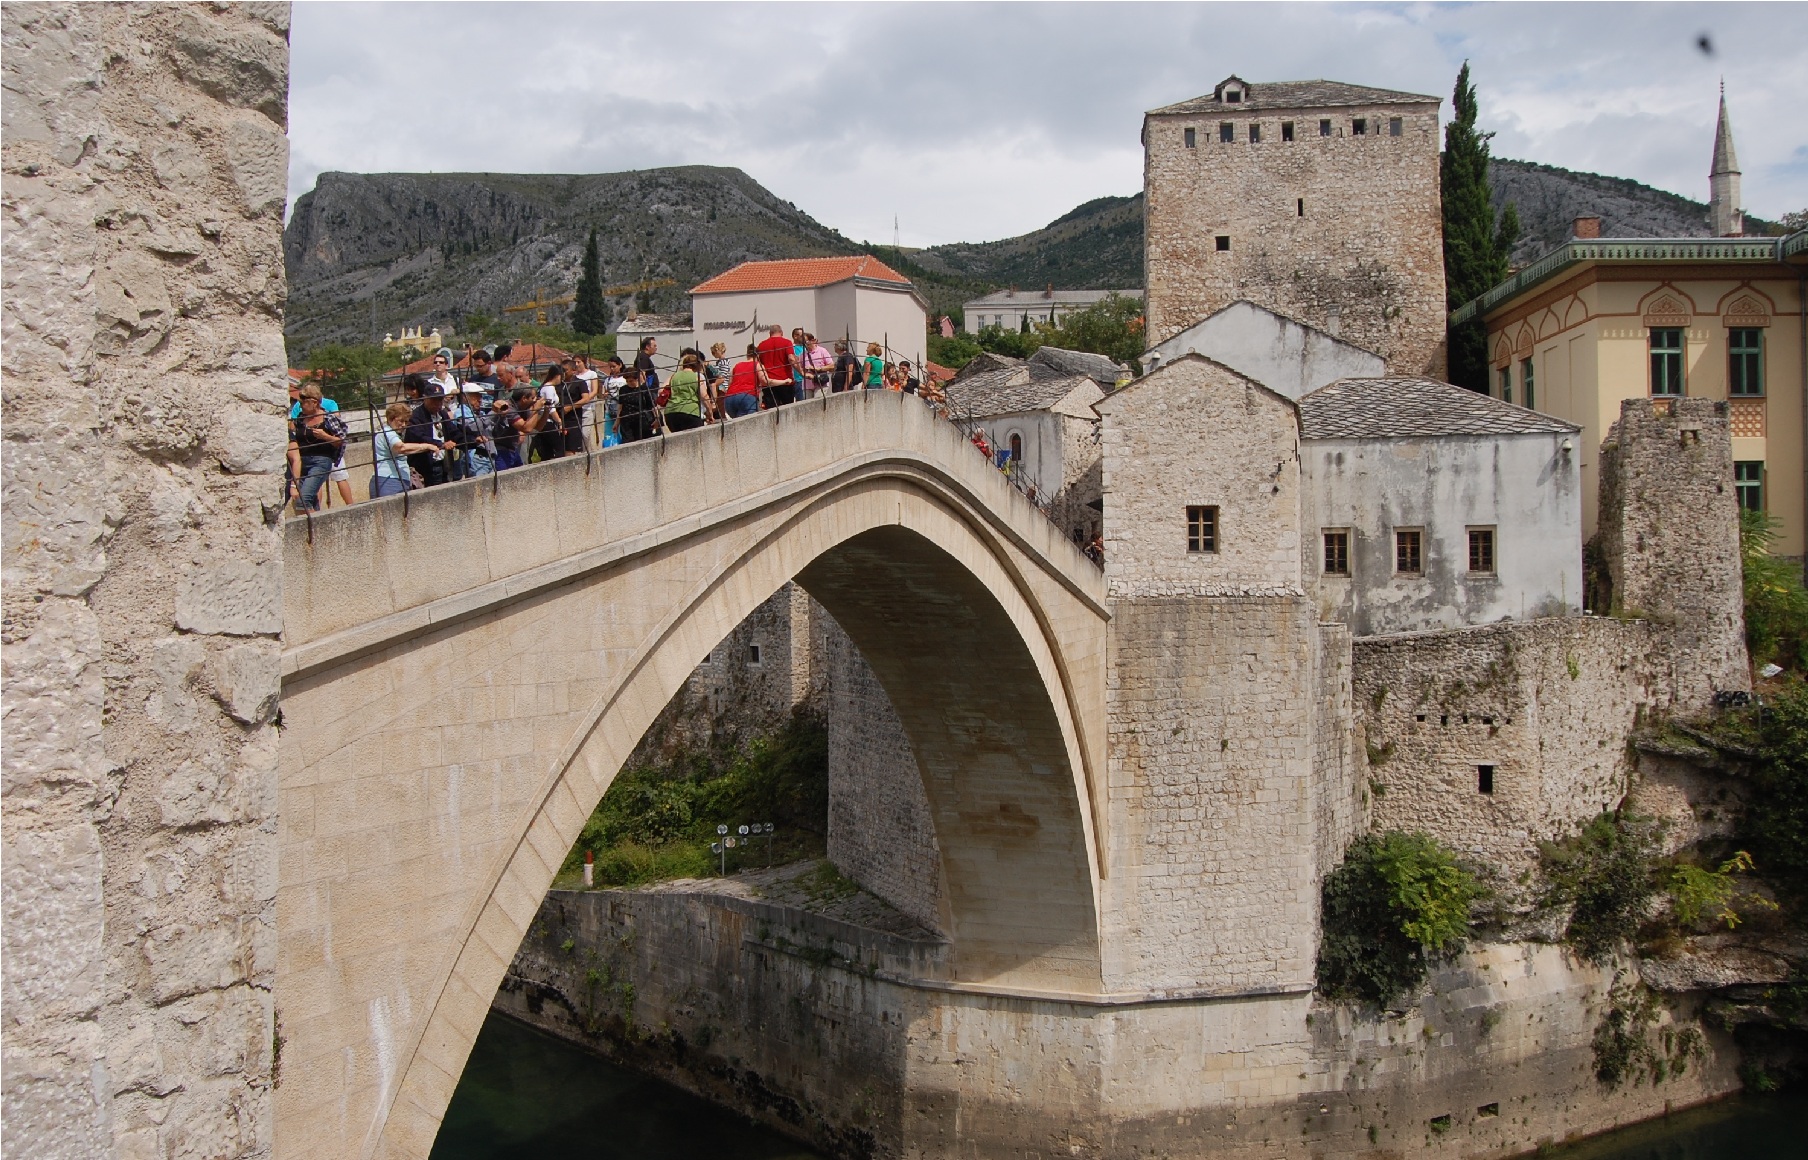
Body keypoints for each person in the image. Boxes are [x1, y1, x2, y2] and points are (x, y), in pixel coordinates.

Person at [287, 379, 355, 507]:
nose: (300, 406)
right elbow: (292, 433)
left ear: (314, 403)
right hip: (302, 462)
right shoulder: (300, 419)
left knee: (303, 501)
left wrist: (325, 436)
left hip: (320, 461)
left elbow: (340, 441)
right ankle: (315, 522)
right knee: (309, 502)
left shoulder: (329, 418)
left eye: (303, 403)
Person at [371, 401, 439, 496]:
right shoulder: (388, 433)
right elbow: (401, 448)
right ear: (390, 419)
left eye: (406, 422)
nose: (403, 425)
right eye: (401, 421)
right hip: (390, 481)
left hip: (389, 479)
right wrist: (427, 446)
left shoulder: (387, 433)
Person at [404, 379, 457, 486]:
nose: (437, 404)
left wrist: (473, 439)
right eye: (433, 400)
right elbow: (419, 436)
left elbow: (453, 431)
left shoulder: (442, 414)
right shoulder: (416, 416)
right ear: (425, 398)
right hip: (426, 465)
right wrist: (440, 444)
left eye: (440, 400)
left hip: (444, 463)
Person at [532, 363, 569, 462]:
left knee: (547, 450)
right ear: (557, 376)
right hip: (547, 421)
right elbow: (551, 408)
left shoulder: (547, 387)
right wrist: (560, 422)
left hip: (548, 421)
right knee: (559, 448)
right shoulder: (549, 388)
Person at [755, 324, 797, 406]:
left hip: (769, 383)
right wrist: (801, 371)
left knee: (772, 410)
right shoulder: (787, 342)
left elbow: (758, 363)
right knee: (787, 409)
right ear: (781, 332)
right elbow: (791, 358)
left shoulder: (762, 345)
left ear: (770, 333)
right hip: (786, 381)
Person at [664, 353, 706, 432]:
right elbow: (704, 396)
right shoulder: (696, 376)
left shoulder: (674, 376)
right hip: (690, 412)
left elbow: (661, 390)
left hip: (671, 412)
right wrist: (710, 412)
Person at [720, 343, 764, 419]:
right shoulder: (757, 364)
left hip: (729, 399)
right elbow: (764, 380)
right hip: (747, 397)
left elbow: (730, 382)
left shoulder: (737, 365)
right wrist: (783, 381)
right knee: (749, 425)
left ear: (747, 355)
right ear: (758, 355)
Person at [617, 365, 659, 442]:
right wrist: (617, 423)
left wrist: (657, 418)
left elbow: (652, 405)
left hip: (641, 421)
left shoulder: (643, 389)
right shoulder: (623, 390)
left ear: (637, 379)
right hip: (626, 422)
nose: (629, 383)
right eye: (627, 381)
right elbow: (620, 406)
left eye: (631, 381)